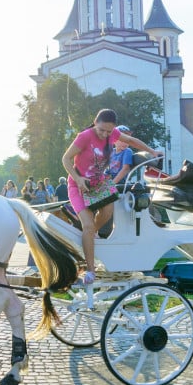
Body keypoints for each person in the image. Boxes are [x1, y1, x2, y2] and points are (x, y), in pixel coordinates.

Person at [62, 108, 160, 284]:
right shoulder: (84, 136)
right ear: (95, 122)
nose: (105, 134)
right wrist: (78, 179)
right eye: (102, 130)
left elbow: (131, 140)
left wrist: (152, 151)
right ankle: (90, 269)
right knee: (88, 225)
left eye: (109, 131)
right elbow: (66, 159)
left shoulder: (112, 133)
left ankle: (89, 236)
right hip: (79, 184)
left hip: (100, 183)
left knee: (107, 214)